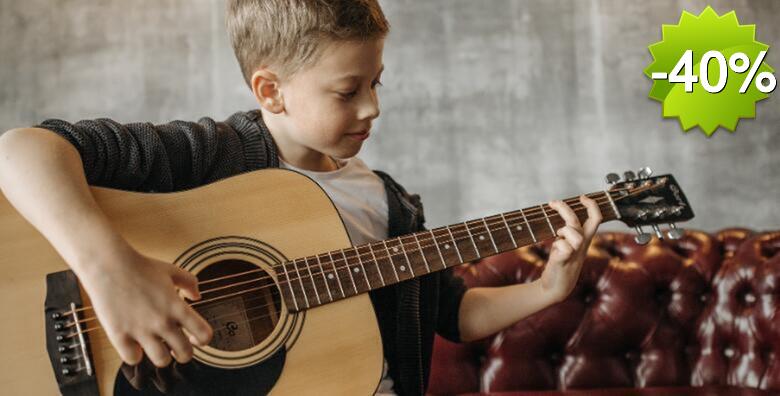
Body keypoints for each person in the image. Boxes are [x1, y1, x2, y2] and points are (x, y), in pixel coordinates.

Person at [0, 0, 602, 394]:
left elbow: (450, 314)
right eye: (348, 90)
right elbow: (20, 150)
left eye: (376, 83)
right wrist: (110, 270)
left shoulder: (389, 205)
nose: (373, 107)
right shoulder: (207, 155)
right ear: (272, 89)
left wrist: (549, 288)